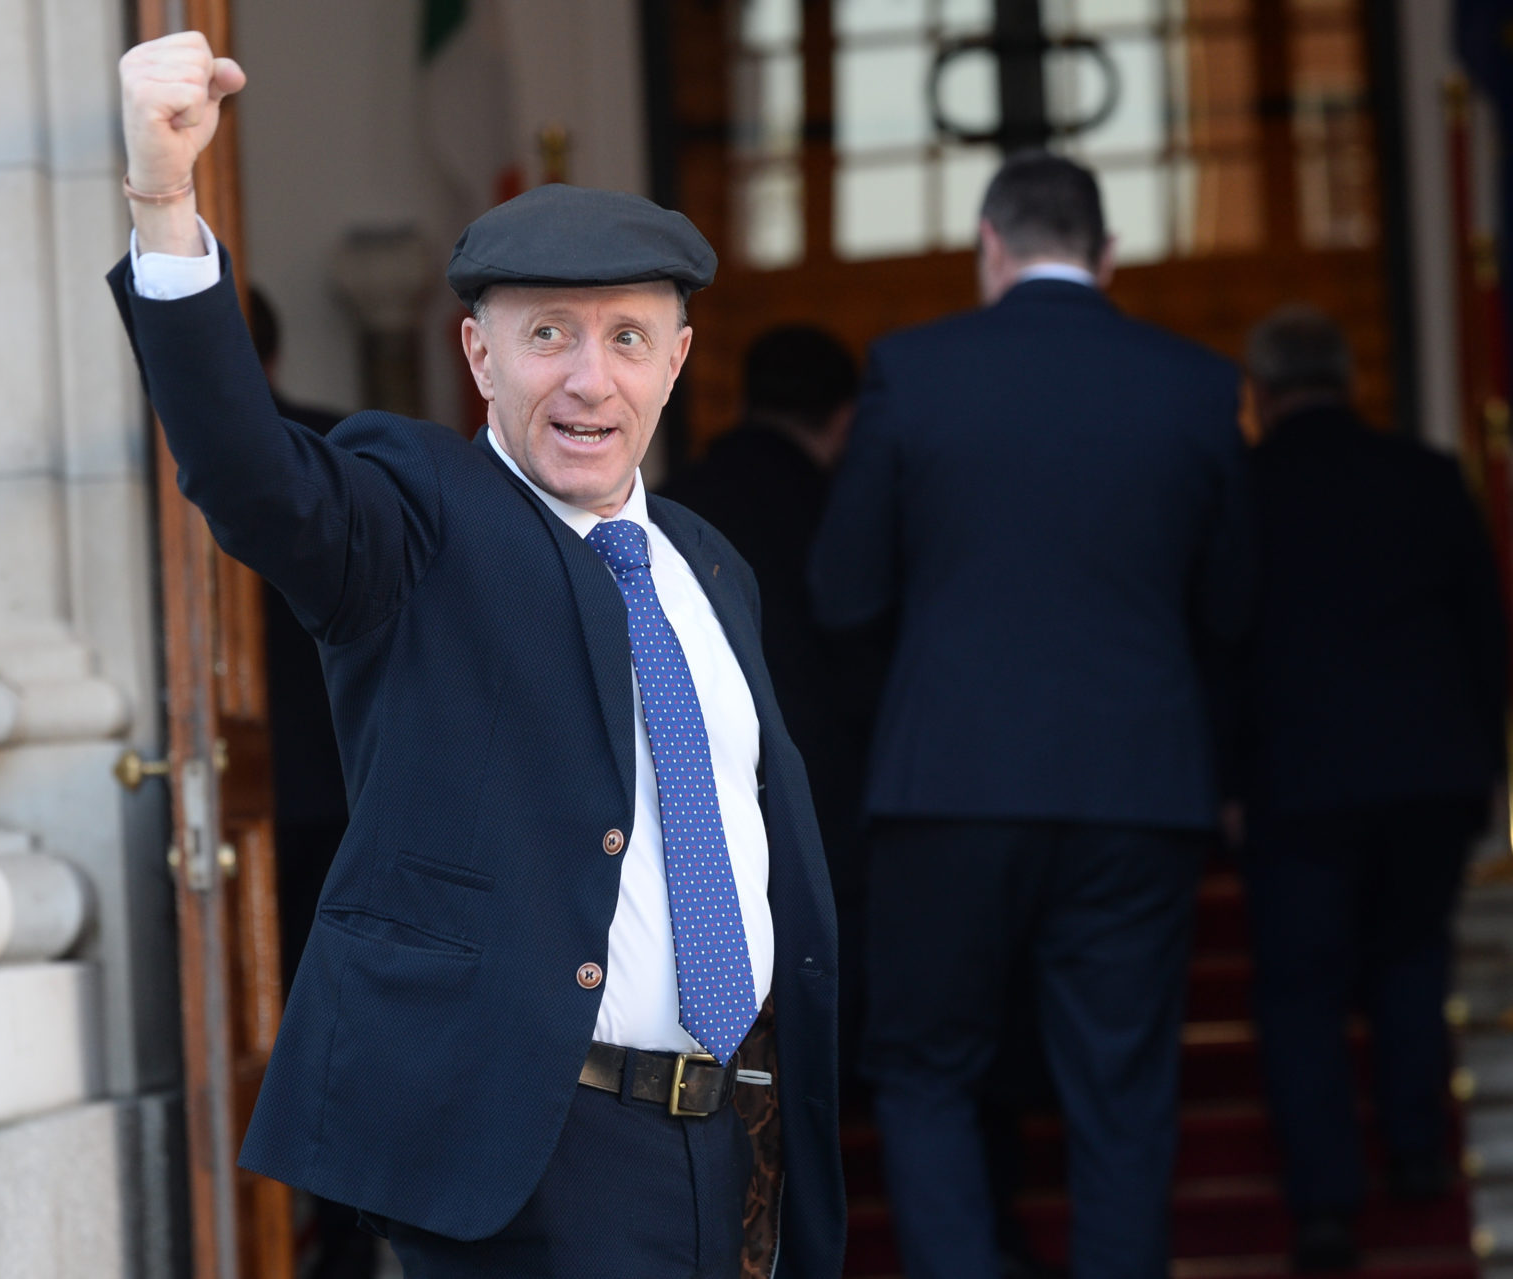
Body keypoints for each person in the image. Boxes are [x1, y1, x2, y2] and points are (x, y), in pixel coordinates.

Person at [108, 33, 845, 1279]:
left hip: (734, 1139)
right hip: (528, 1152)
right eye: (548, 333)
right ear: (478, 355)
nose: (587, 378)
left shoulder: (710, 565)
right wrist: (165, 202)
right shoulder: (419, 512)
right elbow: (253, 479)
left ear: (677, 360)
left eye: (625, 337)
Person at [808, 150, 1253, 1279]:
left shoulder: (912, 370)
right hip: (1138, 782)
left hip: (948, 777)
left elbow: (841, 589)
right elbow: (1240, 603)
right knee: (1121, 1091)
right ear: (1108, 257)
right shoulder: (1198, 382)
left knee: (924, 1071)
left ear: (988, 246)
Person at [1233, 306, 1508, 1272]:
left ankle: (1324, 1208)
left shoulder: (1243, 487)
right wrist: (1486, 762)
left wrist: (1225, 777)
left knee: (1302, 992)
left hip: (1298, 781)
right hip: (1430, 773)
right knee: (1410, 961)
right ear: (1349, 381)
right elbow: (1486, 628)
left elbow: (1222, 648)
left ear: (1259, 395)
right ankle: (1423, 1153)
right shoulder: (1428, 475)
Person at [661, 326, 872, 1080]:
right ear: (845, 418)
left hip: (700, 816)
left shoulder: (673, 505)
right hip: (834, 803)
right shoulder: (850, 513)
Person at [245, 285, 376, 1279]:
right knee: (346, 1047)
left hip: (265, 797)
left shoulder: (167, 463)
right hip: (344, 790)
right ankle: (337, 1254)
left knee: (302, 1043)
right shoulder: (347, 446)